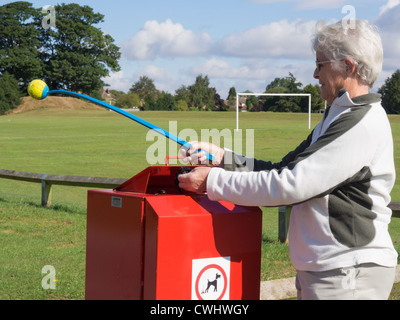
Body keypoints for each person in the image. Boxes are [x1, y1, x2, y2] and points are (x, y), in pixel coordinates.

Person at [178, 19, 398, 300]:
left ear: (348, 66)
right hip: (329, 267)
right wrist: (223, 158)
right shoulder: (338, 115)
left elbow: (291, 185)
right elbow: (283, 169)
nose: (315, 74)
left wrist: (213, 181)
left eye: (321, 65)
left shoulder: (360, 122)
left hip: (347, 270)